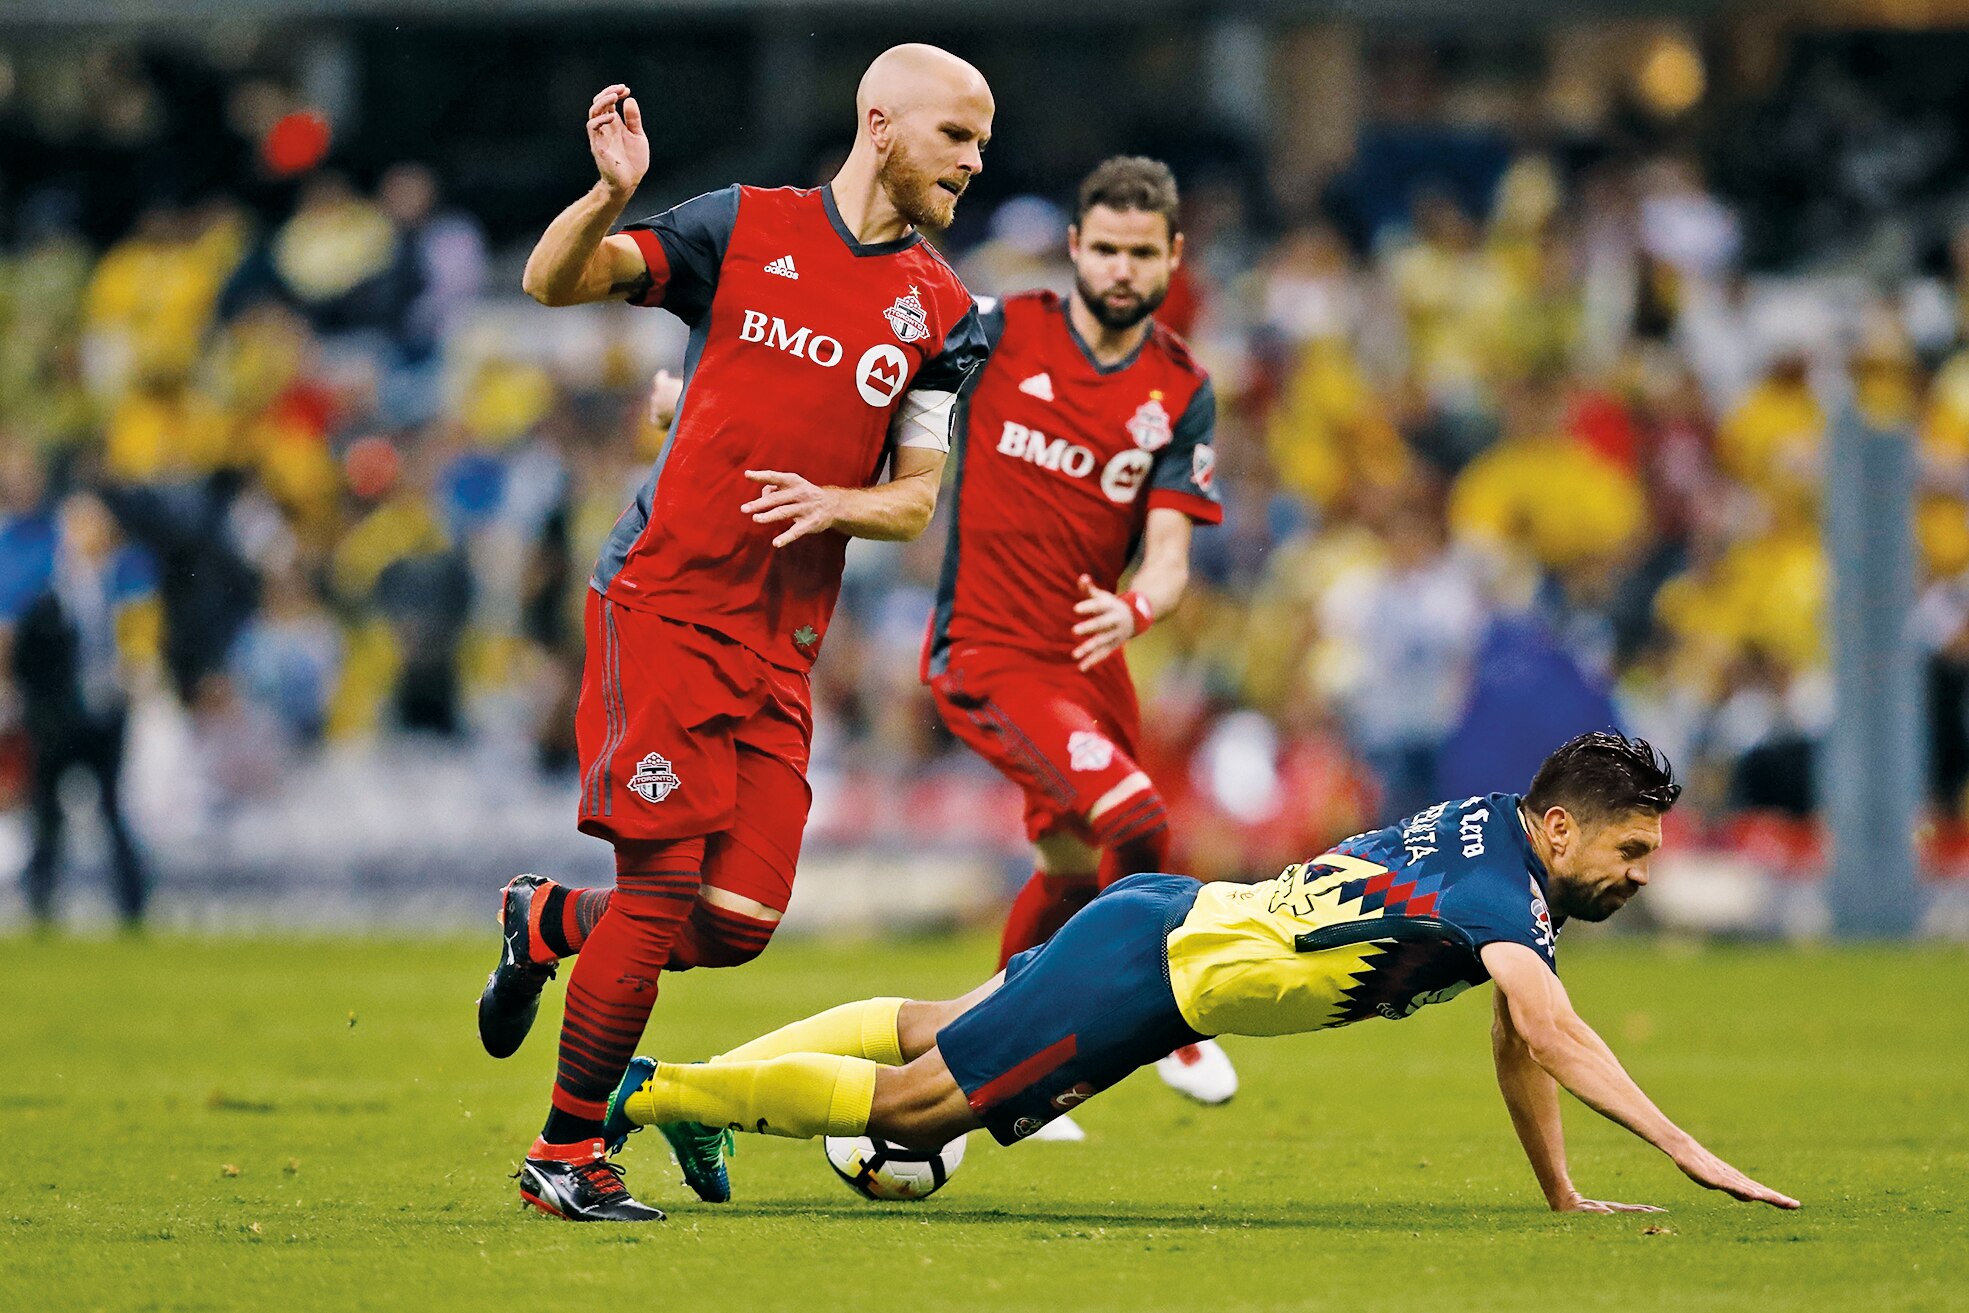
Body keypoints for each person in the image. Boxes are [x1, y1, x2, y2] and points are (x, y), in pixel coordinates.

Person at [474, 45, 995, 1223]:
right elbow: (554, 282)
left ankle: (543, 918)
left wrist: (837, 503)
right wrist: (607, 198)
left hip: (780, 644)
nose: (973, 160)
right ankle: (567, 1154)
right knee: (658, 893)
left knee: (741, 922)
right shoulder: (741, 227)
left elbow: (915, 498)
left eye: (980, 141)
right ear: (882, 122)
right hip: (664, 600)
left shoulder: (948, 315)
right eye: (957, 135)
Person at [602, 732, 1801, 1215]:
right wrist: (1684, 1147)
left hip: (1167, 916)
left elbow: (1514, 1031)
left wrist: (1561, 1191)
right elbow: (1550, 1027)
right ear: (1557, 830)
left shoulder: (1497, 834)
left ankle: (700, 1098)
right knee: (920, 1104)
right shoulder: (1499, 889)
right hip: (1153, 972)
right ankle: (644, 1091)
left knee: (929, 1022)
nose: (1642, 872)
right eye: (1631, 847)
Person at [922, 157, 1235, 1128]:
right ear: (1073, 249)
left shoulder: (1180, 388)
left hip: (1089, 664)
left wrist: (1135, 611)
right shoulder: (1002, 330)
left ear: (1171, 257)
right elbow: (872, 384)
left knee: (1066, 869)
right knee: (1135, 819)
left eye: (1141, 253)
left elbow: (1171, 559)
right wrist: (712, 394)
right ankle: (1166, 1022)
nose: (1120, 269)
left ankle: (1010, 1067)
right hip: (986, 650)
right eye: (1104, 248)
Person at [4, 490, 157, 928]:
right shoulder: (46, 585)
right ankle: (40, 903)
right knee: (46, 813)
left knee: (112, 809)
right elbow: (23, 650)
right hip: (54, 717)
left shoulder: (126, 579)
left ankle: (132, 905)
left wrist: (132, 678)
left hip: (106, 713)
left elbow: (140, 639)